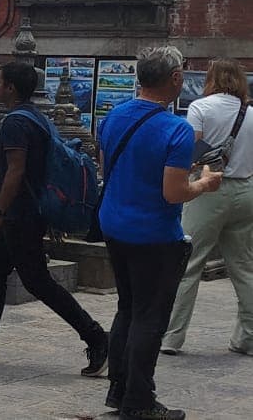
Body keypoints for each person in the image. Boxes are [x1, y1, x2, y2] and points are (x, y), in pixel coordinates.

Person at [0, 61, 108, 371]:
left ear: (10, 88)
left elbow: (16, 172)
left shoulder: (15, 124)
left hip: (21, 214)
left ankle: (97, 337)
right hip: (28, 211)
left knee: (38, 282)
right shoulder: (37, 118)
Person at [96, 46, 222, 420]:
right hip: (154, 232)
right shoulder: (175, 128)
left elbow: (110, 168)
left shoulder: (114, 116)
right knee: (151, 318)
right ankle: (138, 399)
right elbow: (174, 193)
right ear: (176, 79)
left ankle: (118, 389)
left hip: (114, 223)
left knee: (127, 308)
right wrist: (204, 183)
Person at [163, 58, 253, 355]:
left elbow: (190, 150)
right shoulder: (250, 113)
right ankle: (248, 338)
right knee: (243, 267)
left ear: (211, 79)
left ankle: (172, 337)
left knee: (187, 263)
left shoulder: (201, 108)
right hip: (246, 190)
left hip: (209, 189)